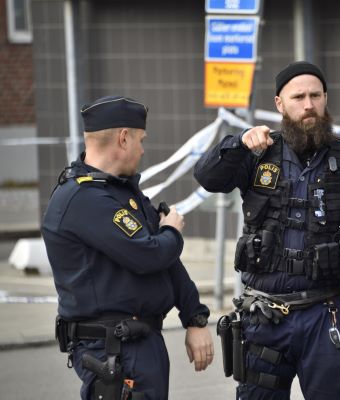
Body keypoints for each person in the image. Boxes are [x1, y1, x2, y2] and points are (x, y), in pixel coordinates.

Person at [194, 61, 340, 399]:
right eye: (298, 96)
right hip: (263, 318)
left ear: (325, 98)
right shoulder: (257, 154)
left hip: (326, 315)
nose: (308, 105)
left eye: (315, 96)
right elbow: (207, 177)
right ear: (279, 103)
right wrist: (239, 143)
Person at [41, 96, 214, 400]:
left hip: (139, 342)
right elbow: (150, 255)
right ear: (123, 138)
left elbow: (166, 260)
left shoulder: (118, 191)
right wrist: (172, 230)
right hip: (116, 350)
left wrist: (195, 317)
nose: (143, 149)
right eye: (140, 139)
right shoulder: (84, 199)